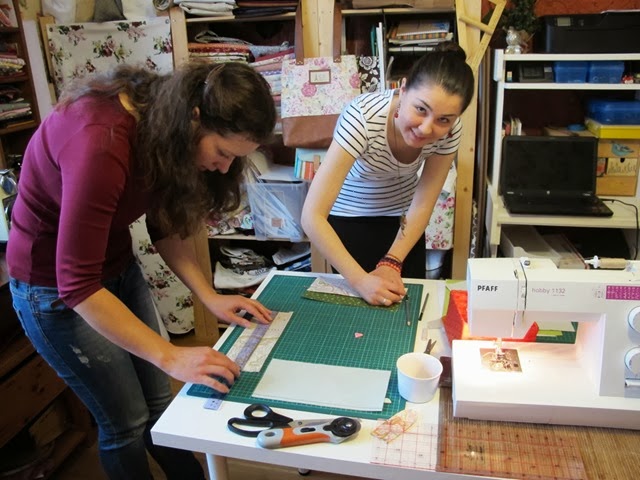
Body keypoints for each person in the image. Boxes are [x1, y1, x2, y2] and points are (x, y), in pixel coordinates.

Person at [7, 61, 276, 480]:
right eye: (223, 153)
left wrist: (209, 296)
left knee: (158, 406)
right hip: (53, 290)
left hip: (114, 267)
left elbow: (163, 225)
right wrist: (170, 355)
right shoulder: (101, 143)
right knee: (126, 424)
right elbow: (76, 285)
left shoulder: (164, 127)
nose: (225, 168)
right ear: (195, 118)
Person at [301, 42, 474, 307]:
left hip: (404, 223)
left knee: (406, 305)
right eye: (421, 109)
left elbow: (424, 201)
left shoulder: (451, 130)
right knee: (361, 310)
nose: (426, 129)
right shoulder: (362, 117)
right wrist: (360, 281)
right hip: (351, 219)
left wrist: (392, 261)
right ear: (402, 90)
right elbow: (312, 216)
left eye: (444, 120)